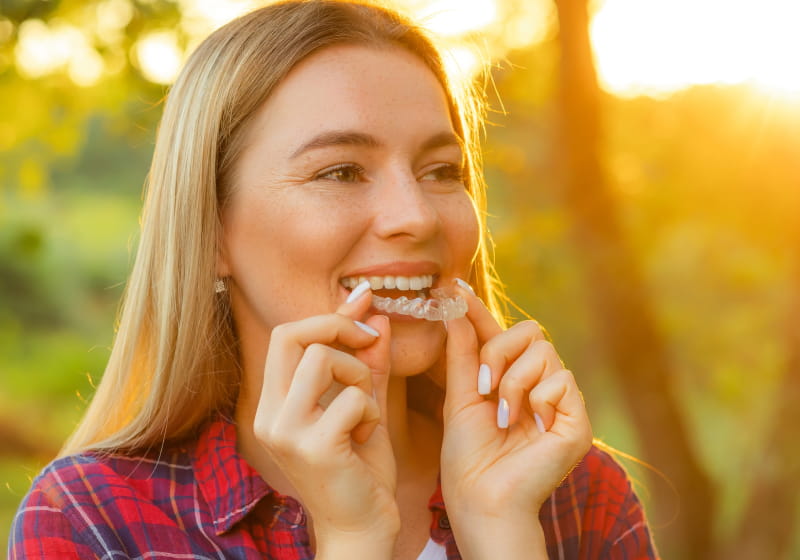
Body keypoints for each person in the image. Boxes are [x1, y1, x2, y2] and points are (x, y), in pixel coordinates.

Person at [8, 1, 659, 558]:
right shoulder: (93, 522)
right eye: (341, 172)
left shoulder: (573, 492)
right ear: (210, 234)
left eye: (440, 170)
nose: (416, 216)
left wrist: (502, 531)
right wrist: (355, 538)